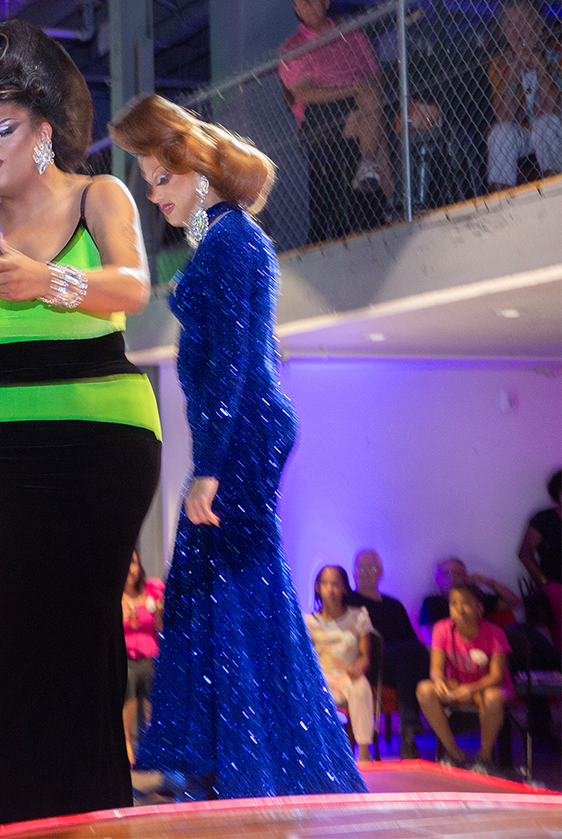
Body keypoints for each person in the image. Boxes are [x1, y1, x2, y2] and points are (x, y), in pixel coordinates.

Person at [0, 19, 162, 828]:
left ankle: (90, 808)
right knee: (10, 621)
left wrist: (50, 282)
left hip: (102, 438)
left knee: (84, 623)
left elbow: (133, 290)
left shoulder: (99, 195)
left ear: (44, 131)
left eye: (3, 131)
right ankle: (7, 812)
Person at [111, 94, 365, 798]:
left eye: (162, 177)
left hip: (239, 437)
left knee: (231, 587)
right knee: (230, 587)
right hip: (245, 429)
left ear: (197, 171)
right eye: (148, 179)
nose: (154, 193)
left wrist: (211, 469)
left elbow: (231, 365)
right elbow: (252, 349)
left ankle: (251, 763)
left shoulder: (229, 242)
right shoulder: (232, 239)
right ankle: (241, 759)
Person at [279, 0, 392, 239]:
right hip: (320, 113)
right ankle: (387, 194)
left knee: (369, 110)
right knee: (372, 114)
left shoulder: (351, 32)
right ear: (296, 9)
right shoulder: (293, 47)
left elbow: (376, 73)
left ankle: (368, 169)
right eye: (302, 1)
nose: (309, 4)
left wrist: (364, 94)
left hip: (362, 105)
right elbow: (305, 93)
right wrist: (354, 89)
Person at [416, 585, 510, 774]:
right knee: (424, 690)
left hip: (486, 688)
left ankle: (484, 757)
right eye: (454, 603)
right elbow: (436, 669)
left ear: (479, 608)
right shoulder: (442, 629)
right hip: (457, 687)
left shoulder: (494, 632)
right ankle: (454, 753)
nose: (459, 609)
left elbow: (496, 676)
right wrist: (439, 680)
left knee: (492, 697)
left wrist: (471, 689)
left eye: (466, 603)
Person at [346, 548, 429, 759]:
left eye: (370, 567)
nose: (365, 572)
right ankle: (410, 734)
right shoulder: (350, 603)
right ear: (354, 572)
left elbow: (410, 638)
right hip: (370, 662)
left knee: (406, 666)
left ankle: (408, 735)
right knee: (418, 651)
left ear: (380, 572)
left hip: (396, 665)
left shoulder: (394, 604)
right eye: (360, 567)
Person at [487, 0, 562, 192]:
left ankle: (553, 190)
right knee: (500, 132)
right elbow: (503, 116)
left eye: (522, 21)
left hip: (556, 127)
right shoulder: (499, 64)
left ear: (538, 25)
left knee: (544, 124)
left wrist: (540, 66)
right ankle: (499, 201)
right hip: (525, 131)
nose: (516, 30)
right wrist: (513, 71)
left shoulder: (558, 54)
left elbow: (554, 109)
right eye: (510, 24)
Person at [305, 566, 375, 762]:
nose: (330, 589)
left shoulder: (358, 616)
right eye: (325, 584)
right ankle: (315, 755)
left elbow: (364, 655)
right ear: (318, 588)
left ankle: (364, 752)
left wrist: (360, 666)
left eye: (335, 584)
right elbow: (304, 659)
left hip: (347, 676)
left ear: (344, 588)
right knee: (304, 690)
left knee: (360, 687)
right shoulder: (308, 622)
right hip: (321, 679)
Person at [121, 552, 163, 767]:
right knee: (126, 681)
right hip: (125, 659)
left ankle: (152, 750)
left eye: (135, 563)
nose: (132, 570)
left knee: (151, 686)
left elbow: (160, 627)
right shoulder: (116, 596)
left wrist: (159, 609)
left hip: (149, 656)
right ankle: (126, 745)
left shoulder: (151, 590)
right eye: (128, 564)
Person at [418, 557, 521, 644]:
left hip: (488, 646)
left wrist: (488, 582)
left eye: (457, 574)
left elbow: (515, 602)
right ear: (437, 579)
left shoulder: (476, 597)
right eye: (445, 574)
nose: (451, 578)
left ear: (466, 577)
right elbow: (430, 641)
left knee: (523, 630)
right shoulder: (431, 603)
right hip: (456, 654)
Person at [517, 469, 561, 649]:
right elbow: (525, 553)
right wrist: (543, 581)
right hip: (556, 586)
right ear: (556, 493)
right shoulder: (545, 518)